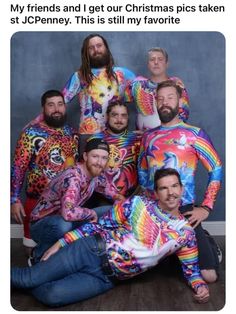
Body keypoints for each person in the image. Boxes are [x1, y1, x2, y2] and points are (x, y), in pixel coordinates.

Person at [11, 168, 210, 307]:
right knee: (28, 279)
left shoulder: (186, 233)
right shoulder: (138, 204)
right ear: (156, 193)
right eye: (164, 188)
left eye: (174, 186)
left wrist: (199, 286)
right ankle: (40, 267)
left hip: (106, 278)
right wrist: (61, 242)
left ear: (181, 189)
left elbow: (191, 271)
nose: (170, 193)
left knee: (51, 296)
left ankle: (41, 265)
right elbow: (99, 224)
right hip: (91, 250)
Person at [138, 80, 223, 282]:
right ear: (155, 103)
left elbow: (216, 169)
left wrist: (206, 207)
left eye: (170, 98)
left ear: (179, 101)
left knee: (208, 276)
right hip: (154, 213)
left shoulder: (194, 134)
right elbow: (142, 169)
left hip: (184, 211)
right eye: (160, 99)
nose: (164, 102)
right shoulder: (148, 136)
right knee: (146, 270)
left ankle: (208, 241)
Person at [29, 138, 123, 264]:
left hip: (70, 218)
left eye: (104, 158)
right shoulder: (73, 177)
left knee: (112, 211)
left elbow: (110, 190)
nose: (99, 162)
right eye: (95, 156)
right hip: (43, 224)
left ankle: (81, 253)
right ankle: (37, 256)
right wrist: (91, 213)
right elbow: (68, 213)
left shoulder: (96, 175)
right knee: (63, 225)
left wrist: (119, 199)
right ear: (85, 156)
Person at [11, 90, 79, 252]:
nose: (56, 109)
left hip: (66, 202)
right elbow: (18, 168)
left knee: (61, 247)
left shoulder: (72, 133)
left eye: (60, 104)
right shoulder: (31, 133)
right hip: (37, 201)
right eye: (51, 105)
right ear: (43, 109)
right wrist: (14, 199)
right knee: (31, 249)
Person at [62, 33, 136, 153]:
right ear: (86, 53)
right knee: (88, 171)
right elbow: (58, 102)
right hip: (89, 135)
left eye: (99, 45)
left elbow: (145, 97)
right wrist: (39, 121)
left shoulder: (123, 75)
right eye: (91, 48)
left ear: (106, 48)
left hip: (116, 135)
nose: (96, 50)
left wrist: (146, 128)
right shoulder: (80, 76)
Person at [89, 100, 141, 201]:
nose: (119, 119)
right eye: (115, 115)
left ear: (128, 118)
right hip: (102, 199)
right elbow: (89, 173)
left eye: (123, 115)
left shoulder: (136, 138)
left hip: (132, 198)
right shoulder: (95, 139)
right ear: (107, 116)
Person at [131, 47, 189, 130]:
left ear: (167, 63)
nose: (156, 62)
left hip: (170, 138)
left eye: (160, 59)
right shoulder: (137, 84)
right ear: (148, 64)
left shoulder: (177, 85)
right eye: (152, 59)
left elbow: (184, 115)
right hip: (142, 139)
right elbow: (122, 108)